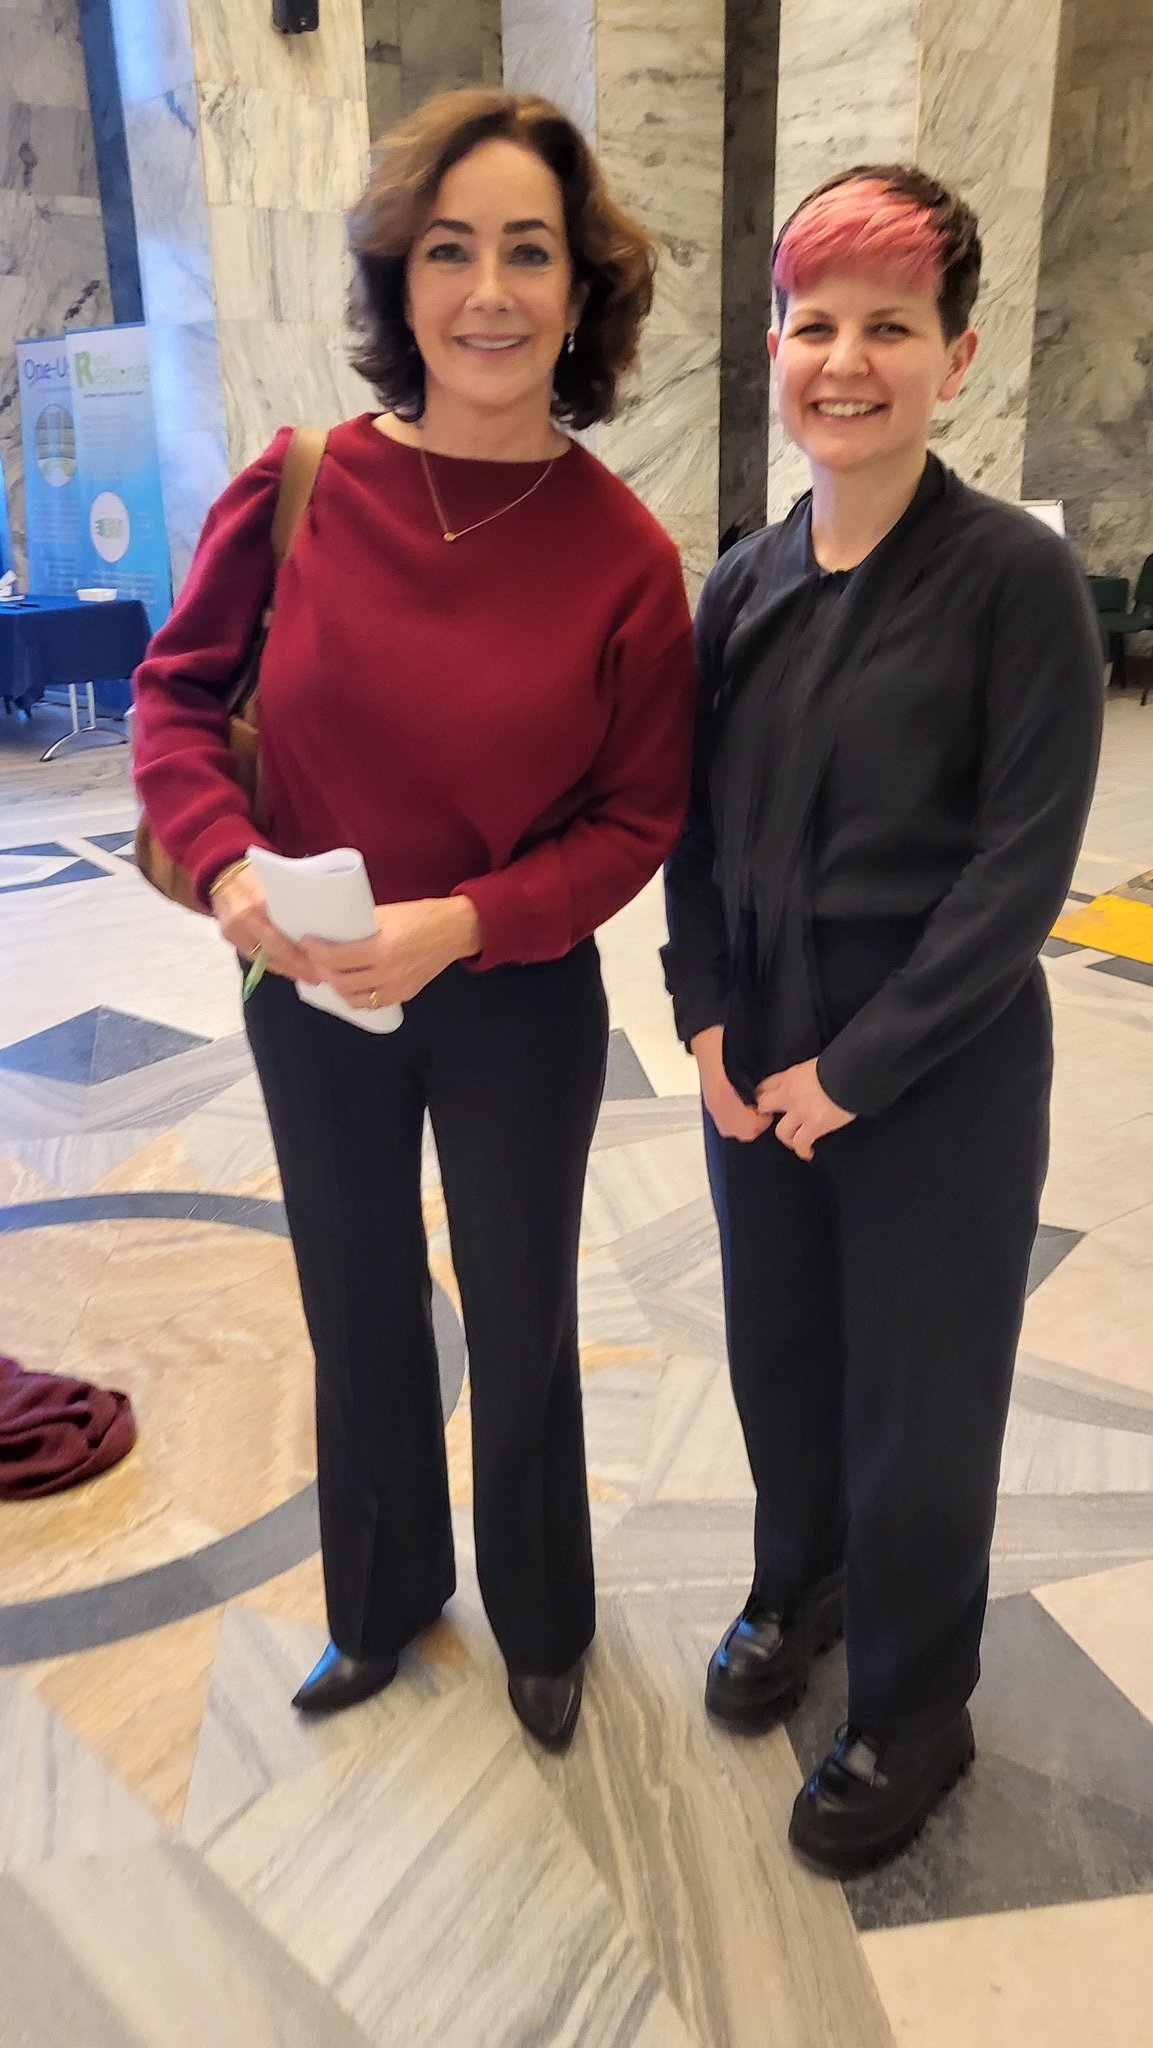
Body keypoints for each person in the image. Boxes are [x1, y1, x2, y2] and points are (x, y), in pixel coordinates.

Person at [133, 89, 694, 1751]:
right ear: (400, 286)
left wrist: (467, 920)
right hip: (305, 979)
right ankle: (377, 1603)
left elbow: (636, 818)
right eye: (449, 252)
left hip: (512, 991)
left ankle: (542, 1616)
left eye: (530, 252)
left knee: (519, 1310)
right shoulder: (304, 482)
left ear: (581, 294)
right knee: (354, 1295)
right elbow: (173, 699)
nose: (490, 292)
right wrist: (232, 873)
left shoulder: (625, 557)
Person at [662, 165, 1102, 1871]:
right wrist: (704, 1019)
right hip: (753, 1043)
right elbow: (685, 830)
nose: (845, 360)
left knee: (919, 1398)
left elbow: (1018, 872)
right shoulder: (741, 584)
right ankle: (802, 1585)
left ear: (956, 353)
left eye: (888, 327)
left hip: (934, 1063)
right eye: (814, 323)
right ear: (773, 343)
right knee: (782, 1361)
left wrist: (857, 1069)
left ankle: (916, 1706)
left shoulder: (1010, 583)